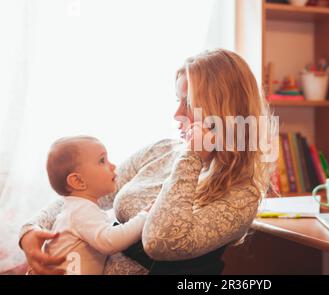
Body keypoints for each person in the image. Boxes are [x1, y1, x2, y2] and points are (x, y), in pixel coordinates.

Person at [19, 49, 276, 275]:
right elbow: (81, 192)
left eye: (190, 103)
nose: (177, 114)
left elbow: (159, 241)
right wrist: (30, 230)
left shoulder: (241, 195)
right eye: (178, 100)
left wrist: (192, 157)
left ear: (224, 113)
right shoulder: (162, 150)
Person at [27, 136, 151, 274]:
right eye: (102, 160)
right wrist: (144, 216)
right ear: (78, 181)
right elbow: (109, 241)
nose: (113, 166)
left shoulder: (75, 208)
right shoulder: (81, 210)